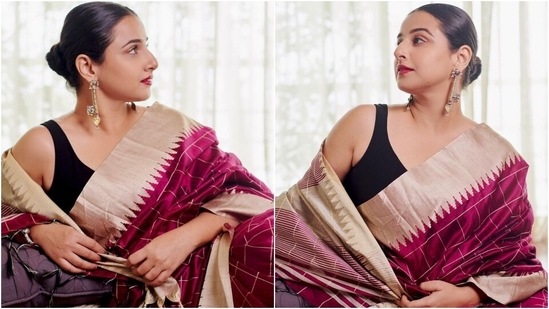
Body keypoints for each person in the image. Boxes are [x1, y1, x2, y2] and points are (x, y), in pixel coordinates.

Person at [1, 2, 274, 307]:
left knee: (273, 235)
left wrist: (184, 238)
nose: (152, 61)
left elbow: (249, 194)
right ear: (88, 67)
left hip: (212, 271)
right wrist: (38, 233)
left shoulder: (174, 128)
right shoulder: (44, 146)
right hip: (121, 290)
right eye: (133, 50)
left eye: (147, 47)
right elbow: (5, 213)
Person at [275, 3, 547, 307]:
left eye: (418, 40)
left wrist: (466, 296)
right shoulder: (363, 125)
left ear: (461, 57)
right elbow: (294, 219)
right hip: (355, 298)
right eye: (398, 41)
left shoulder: (498, 160)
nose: (400, 51)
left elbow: (520, 266)